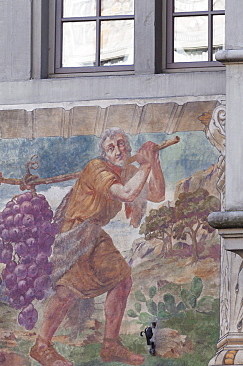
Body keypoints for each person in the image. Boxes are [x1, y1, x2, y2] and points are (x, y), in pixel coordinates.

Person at [30, 128, 165, 366]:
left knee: (121, 280)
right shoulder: (96, 168)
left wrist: (154, 162)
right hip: (75, 233)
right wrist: (145, 166)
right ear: (104, 154)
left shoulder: (128, 171)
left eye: (121, 144)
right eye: (111, 147)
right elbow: (125, 193)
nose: (118, 150)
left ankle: (110, 345)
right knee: (67, 291)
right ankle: (41, 346)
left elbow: (157, 194)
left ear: (129, 147)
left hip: (94, 233)